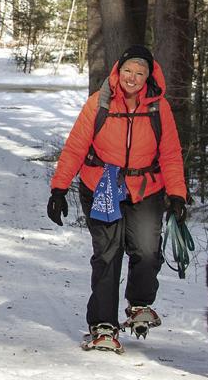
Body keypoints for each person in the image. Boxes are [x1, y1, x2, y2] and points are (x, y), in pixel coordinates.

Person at [47, 45, 188, 353]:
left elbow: (171, 154)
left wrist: (178, 194)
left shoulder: (158, 108)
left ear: (149, 76)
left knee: (148, 251)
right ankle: (103, 325)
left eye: (139, 73)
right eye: (128, 71)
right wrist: (59, 189)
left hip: (146, 187)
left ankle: (139, 304)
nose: (132, 79)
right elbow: (75, 148)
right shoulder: (99, 103)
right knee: (108, 253)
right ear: (118, 71)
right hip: (102, 185)